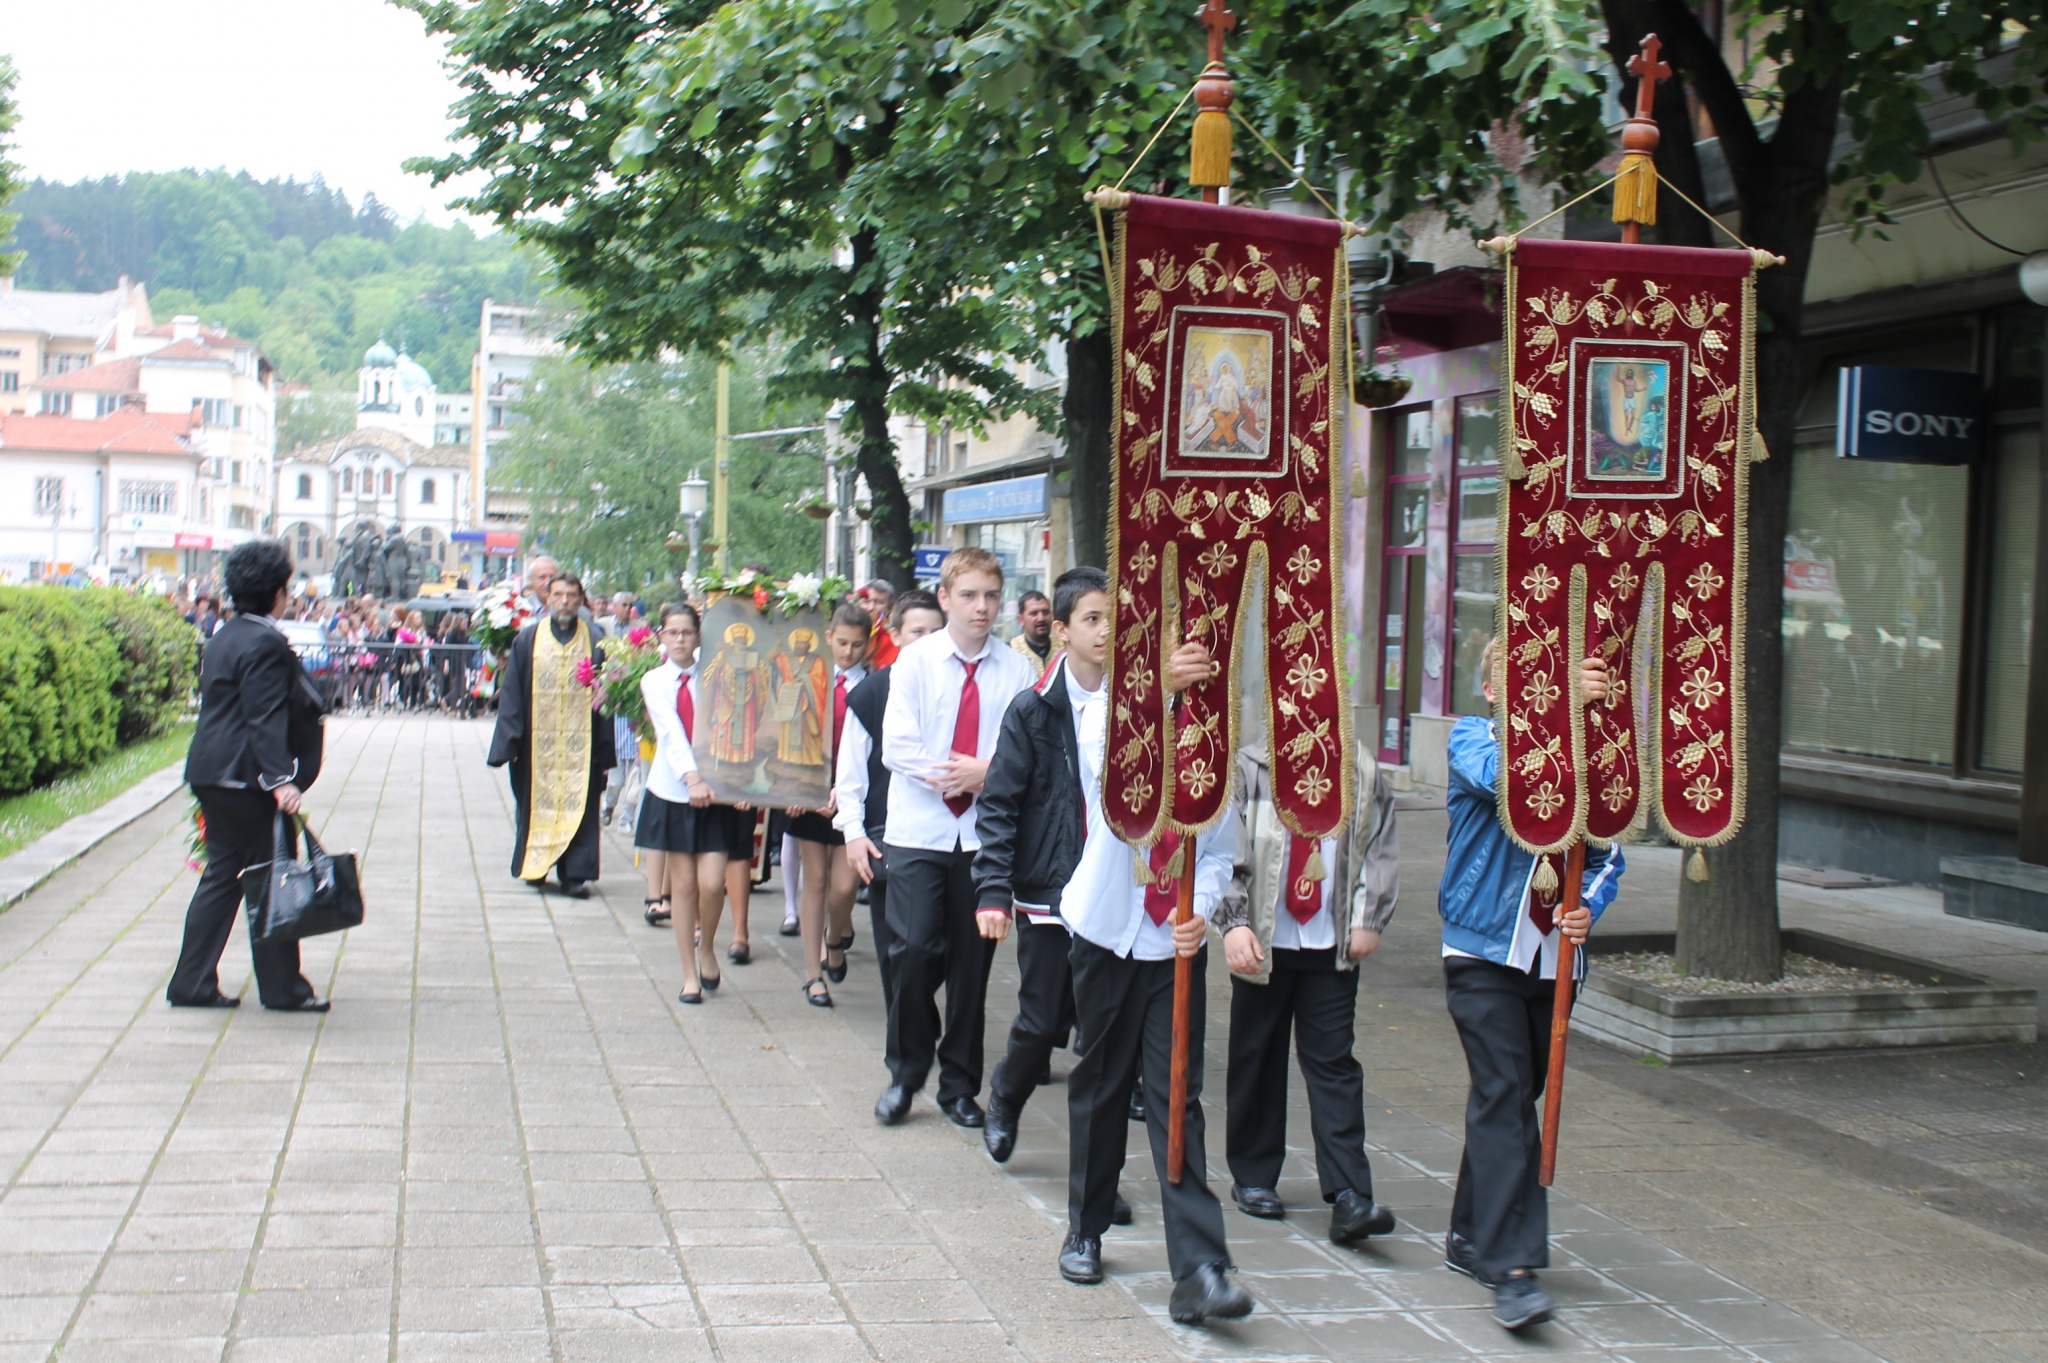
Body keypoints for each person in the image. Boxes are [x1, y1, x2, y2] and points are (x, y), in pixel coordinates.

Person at [1054, 634, 1249, 1325]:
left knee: (1177, 1097)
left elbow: (1221, 849)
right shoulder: (1106, 713)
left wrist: (1202, 907)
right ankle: (1085, 1227)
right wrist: (1159, 691)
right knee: (1102, 1082)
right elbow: (1103, 768)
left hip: (1173, 943)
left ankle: (1199, 1265)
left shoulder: (1217, 741)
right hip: (1109, 930)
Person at [1440, 646, 1625, 1331]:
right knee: (1507, 1095)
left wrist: (1589, 907)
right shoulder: (1472, 738)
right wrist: (1564, 715)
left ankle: (1469, 1232)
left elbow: (1608, 851)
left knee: (1512, 1096)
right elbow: (1511, 783)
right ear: (1493, 690)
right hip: (1481, 952)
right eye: (1523, 684)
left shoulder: (1585, 754)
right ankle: (1512, 1267)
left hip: (1553, 961)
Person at [873, 548, 1036, 1129]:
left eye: (991, 596)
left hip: (985, 839)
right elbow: (898, 746)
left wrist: (987, 773)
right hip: (920, 829)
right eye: (968, 595)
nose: (981, 607)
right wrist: (956, 774)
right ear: (944, 598)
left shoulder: (1017, 671)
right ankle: (905, 1071)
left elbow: (1029, 751)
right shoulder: (914, 662)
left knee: (973, 967)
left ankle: (960, 1085)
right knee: (914, 950)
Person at [1216, 734, 1401, 1245]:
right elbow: (1223, 850)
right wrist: (1233, 922)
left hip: (1329, 941)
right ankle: (1254, 1174)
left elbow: (1379, 845)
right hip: (1264, 939)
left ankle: (1349, 1193)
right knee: (1256, 1056)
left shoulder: (1358, 767)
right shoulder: (1252, 767)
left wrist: (1369, 916)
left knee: (1334, 1062)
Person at [169, 538, 331, 1013]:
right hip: (246, 779)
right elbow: (263, 716)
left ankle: (192, 982)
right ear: (278, 592)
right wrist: (280, 779)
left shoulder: (226, 635)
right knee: (272, 878)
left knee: (223, 876)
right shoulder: (265, 641)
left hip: (213, 772)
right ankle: (282, 989)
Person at [636, 603, 755, 1003]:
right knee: (684, 884)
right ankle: (689, 972)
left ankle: (707, 947)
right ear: (661, 636)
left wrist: (742, 783)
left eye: (687, 632)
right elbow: (670, 732)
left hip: (717, 791)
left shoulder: (717, 673)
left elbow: (741, 720)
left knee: (711, 882)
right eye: (672, 633)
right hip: (674, 791)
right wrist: (692, 778)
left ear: (699, 635)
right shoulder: (655, 681)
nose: (680, 640)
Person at [836, 591, 945, 1014]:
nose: (928, 641)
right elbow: (851, 771)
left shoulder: (957, 686)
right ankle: (905, 1030)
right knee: (898, 946)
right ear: (895, 635)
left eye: (936, 631)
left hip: (949, 836)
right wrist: (853, 832)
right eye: (918, 632)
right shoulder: (872, 692)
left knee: (942, 947)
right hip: (887, 836)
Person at [487, 574, 617, 897]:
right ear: (547, 599)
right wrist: (509, 742)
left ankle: (575, 874)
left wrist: (604, 747)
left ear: (580, 600)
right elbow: (512, 693)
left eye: (571, 595)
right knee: (534, 806)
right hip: (536, 746)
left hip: (581, 746)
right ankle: (537, 866)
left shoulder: (596, 641)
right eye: (558, 595)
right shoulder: (528, 640)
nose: (564, 602)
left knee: (581, 809)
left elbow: (605, 696)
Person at [780, 604, 873, 1007]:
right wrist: (792, 788)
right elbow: (782, 729)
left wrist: (844, 790)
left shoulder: (874, 686)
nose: (848, 651)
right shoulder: (806, 677)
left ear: (868, 645)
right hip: (808, 793)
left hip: (853, 797)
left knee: (844, 885)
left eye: (857, 645)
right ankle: (812, 975)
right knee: (814, 881)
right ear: (828, 637)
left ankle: (835, 935)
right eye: (842, 643)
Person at [1009, 589, 1054, 678]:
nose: (1041, 618)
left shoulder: (1065, 649)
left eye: (1045, 612)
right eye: (1034, 614)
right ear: (1020, 620)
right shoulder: (1010, 652)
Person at [860, 579, 899, 669]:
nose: (871, 608)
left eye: (879, 602)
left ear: (890, 608)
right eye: (866, 601)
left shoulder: (894, 641)